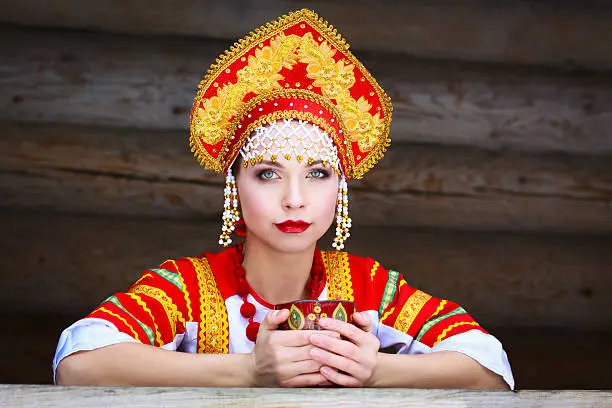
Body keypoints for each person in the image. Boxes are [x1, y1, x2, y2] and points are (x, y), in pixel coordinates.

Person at [53, 9, 513, 389]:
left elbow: (490, 367)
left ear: (341, 188)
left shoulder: (368, 286)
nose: (294, 200)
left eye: (317, 173)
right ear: (234, 185)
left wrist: (376, 370)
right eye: (268, 174)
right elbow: (78, 361)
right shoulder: (187, 288)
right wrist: (250, 369)